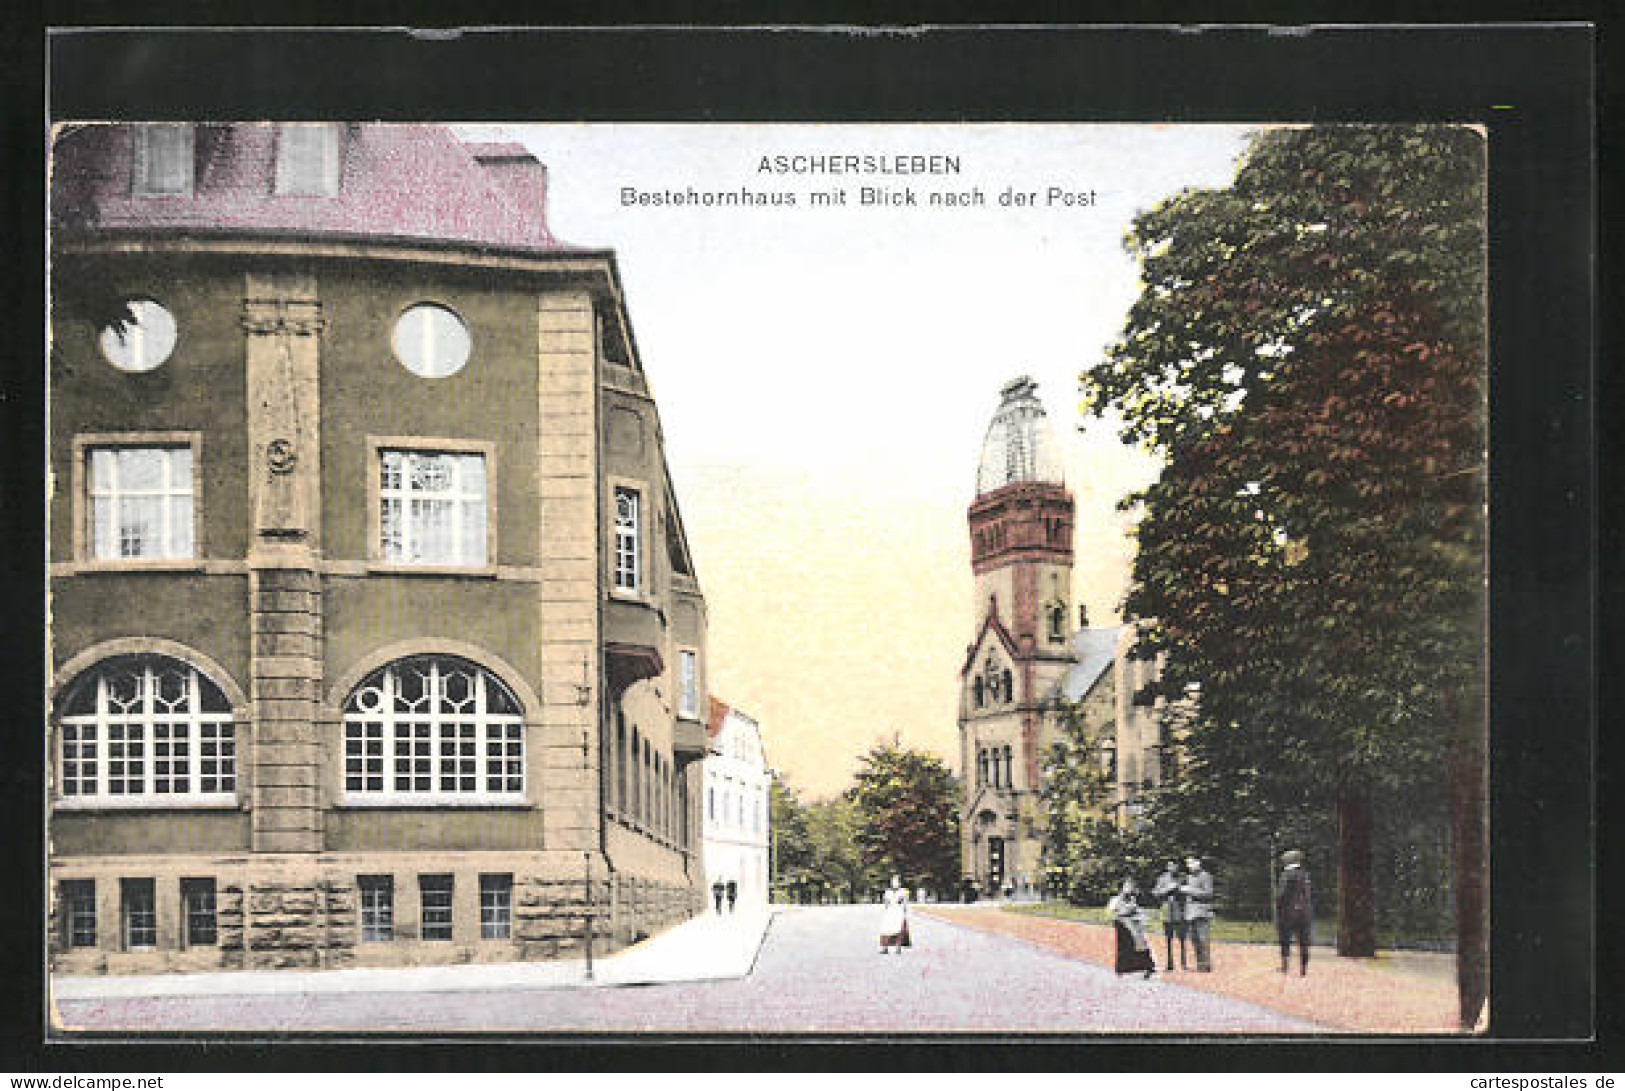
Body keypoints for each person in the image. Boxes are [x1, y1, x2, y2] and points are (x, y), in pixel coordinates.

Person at [1106, 878, 1156, 979]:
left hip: (1134, 925)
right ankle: (1122, 969)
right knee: (1125, 947)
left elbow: (1138, 911)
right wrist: (1122, 914)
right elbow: (1109, 914)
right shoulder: (1115, 900)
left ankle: (1147, 967)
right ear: (1122, 888)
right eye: (1127, 886)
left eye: (1131, 886)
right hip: (1122, 925)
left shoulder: (1133, 900)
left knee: (1142, 944)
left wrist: (1143, 917)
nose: (1129, 888)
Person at [1275, 849, 1313, 976]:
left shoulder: (1286, 875)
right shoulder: (1305, 874)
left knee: (1285, 938)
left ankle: (1285, 966)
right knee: (1304, 940)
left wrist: (1279, 907)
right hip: (1304, 912)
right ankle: (1303, 968)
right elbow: (1307, 894)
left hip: (1288, 912)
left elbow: (1282, 894)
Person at [1151, 860, 1189, 971]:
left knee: (1182, 938)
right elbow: (1155, 893)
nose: (1172, 868)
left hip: (1179, 911)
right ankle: (1169, 963)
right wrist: (1167, 889)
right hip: (1167, 911)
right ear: (1167, 867)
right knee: (1168, 938)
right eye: (1170, 866)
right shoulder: (1162, 878)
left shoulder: (1183, 878)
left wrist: (1180, 889)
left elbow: (1189, 892)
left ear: (1177, 866)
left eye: (1175, 865)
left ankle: (1183, 964)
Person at [1181, 855, 1215, 972]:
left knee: (1203, 939)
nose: (1189, 866)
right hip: (1190, 913)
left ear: (1198, 863)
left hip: (1202, 912)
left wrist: (1189, 890)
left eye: (1192, 863)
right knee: (1194, 939)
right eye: (1188, 864)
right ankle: (1200, 964)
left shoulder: (1206, 876)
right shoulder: (1189, 877)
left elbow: (1208, 894)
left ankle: (1206, 965)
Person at [879, 874, 911, 953]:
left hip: (898, 911)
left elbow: (904, 903)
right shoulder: (888, 892)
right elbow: (886, 903)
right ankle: (885, 948)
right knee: (886, 929)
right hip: (890, 911)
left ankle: (898, 947)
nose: (895, 883)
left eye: (896, 881)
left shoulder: (903, 891)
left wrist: (904, 911)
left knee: (898, 929)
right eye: (893, 881)